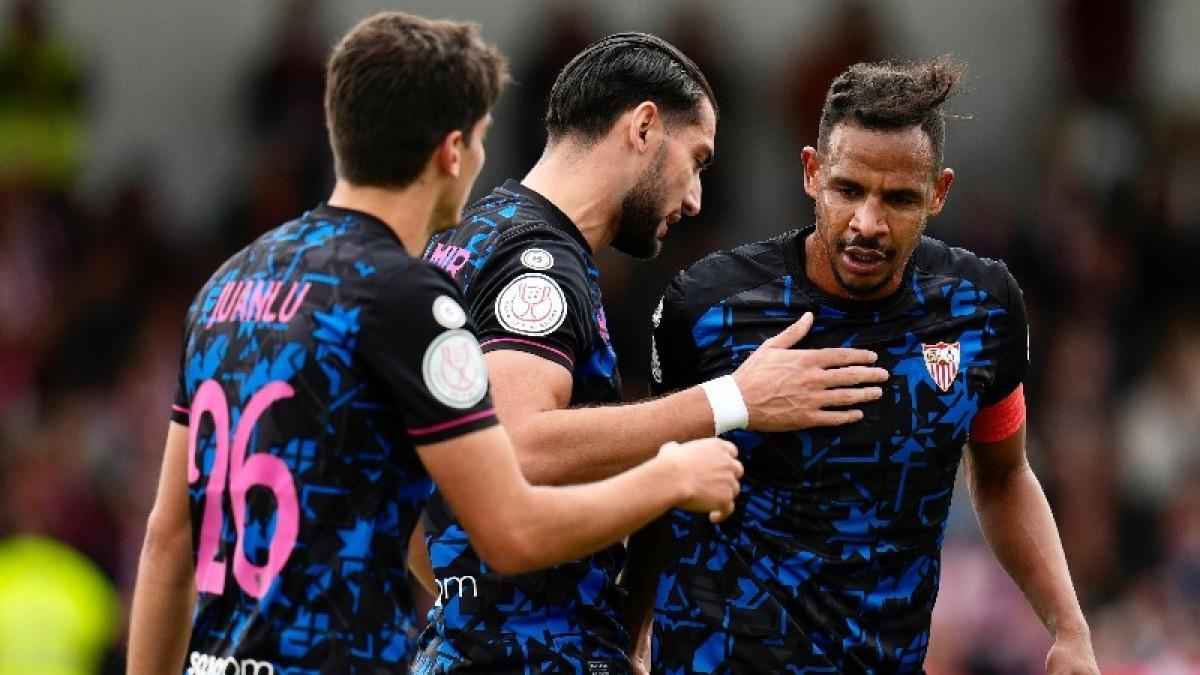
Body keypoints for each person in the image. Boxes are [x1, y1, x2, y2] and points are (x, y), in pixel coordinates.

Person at [125, 12, 746, 673]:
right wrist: (675, 468)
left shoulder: (229, 285)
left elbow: (167, 540)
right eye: (479, 140)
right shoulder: (405, 300)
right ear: (453, 150)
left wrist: (459, 604)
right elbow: (510, 524)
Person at [415, 33, 890, 674]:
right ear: (643, 127)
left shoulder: (461, 244)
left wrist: (467, 609)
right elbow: (517, 445)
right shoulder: (538, 266)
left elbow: (402, 491)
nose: (694, 199)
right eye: (695, 160)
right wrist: (732, 400)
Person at [626, 56, 1102, 673]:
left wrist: (1069, 628)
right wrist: (629, 633)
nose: (867, 223)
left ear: (939, 192)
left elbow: (1004, 476)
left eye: (900, 198)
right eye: (848, 190)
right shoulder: (708, 305)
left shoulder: (983, 307)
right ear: (811, 172)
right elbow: (659, 481)